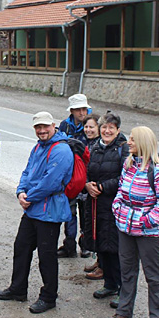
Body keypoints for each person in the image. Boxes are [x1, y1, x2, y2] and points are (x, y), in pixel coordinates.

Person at [0, 112, 73, 314]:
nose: (41, 130)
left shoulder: (62, 150)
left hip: (49, 211)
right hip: (33, 209)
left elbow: (51, 182)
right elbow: (27, 172)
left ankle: (48, 297)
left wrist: (28, 197)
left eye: (45, 126)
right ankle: (18, 289)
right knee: (21, 247)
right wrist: (20, 191)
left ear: (54, 126)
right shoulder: (38, 147)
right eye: (38, 127)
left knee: (46, 256)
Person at [107, 126, 159, 318]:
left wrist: (145, 222)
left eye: (134, 140)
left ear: (144, 142)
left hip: (149, 234)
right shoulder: (129, 165)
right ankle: (124, 312)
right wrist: (117, 210)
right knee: (127, 272)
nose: (129, 142)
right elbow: (120, 191)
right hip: (125, 228)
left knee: (153, 276)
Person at [85, 112, 127, 305]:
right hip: (96, 204)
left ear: (118, 130)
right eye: (104, 127)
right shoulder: (95, 148)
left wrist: (102, 187)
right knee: (101, 243)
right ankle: (109, 283)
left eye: (111, 127)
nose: (107, 130)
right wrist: (88, 185)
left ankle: (121, 288)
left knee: (115, 248)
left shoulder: (123, 149)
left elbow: (126, 178)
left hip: (115, 205)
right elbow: (87, 170)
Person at [57, 93, 92, 258]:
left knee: (86, 213)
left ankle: (85, 245)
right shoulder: (65, 126)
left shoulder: (91, 125)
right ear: (72, 110)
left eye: (84, 109)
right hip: (70, 177)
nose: (82, 113)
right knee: (69, 213)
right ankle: (69, 245)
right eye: (78, 109)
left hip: (87, 176)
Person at [79, 113, 101, 275]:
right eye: (86, 126)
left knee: (99, 229)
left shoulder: (101, 145)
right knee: (89, 227)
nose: (88, 130)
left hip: (98, 192)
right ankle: (98, 260)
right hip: (85, 191)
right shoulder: (84, 142)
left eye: (92, 127)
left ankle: (102, 264)